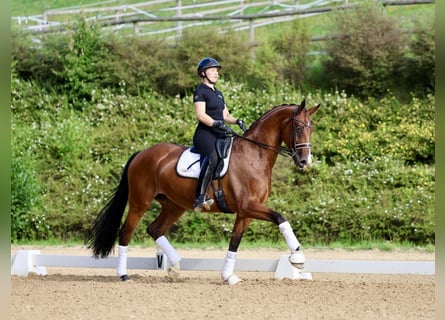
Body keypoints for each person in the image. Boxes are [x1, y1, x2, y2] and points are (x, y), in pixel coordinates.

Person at [192, 57, 247, 212]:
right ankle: (200, 196)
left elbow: (225, 116)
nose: (216, 74)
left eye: (217, 71)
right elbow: (201, 115)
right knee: (213, 157)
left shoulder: (219, 94)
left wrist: (237, 121)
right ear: (203, 73)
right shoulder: (200, 91)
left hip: (219, 133)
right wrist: (216, 123)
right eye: (212, 70)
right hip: (205, 135)